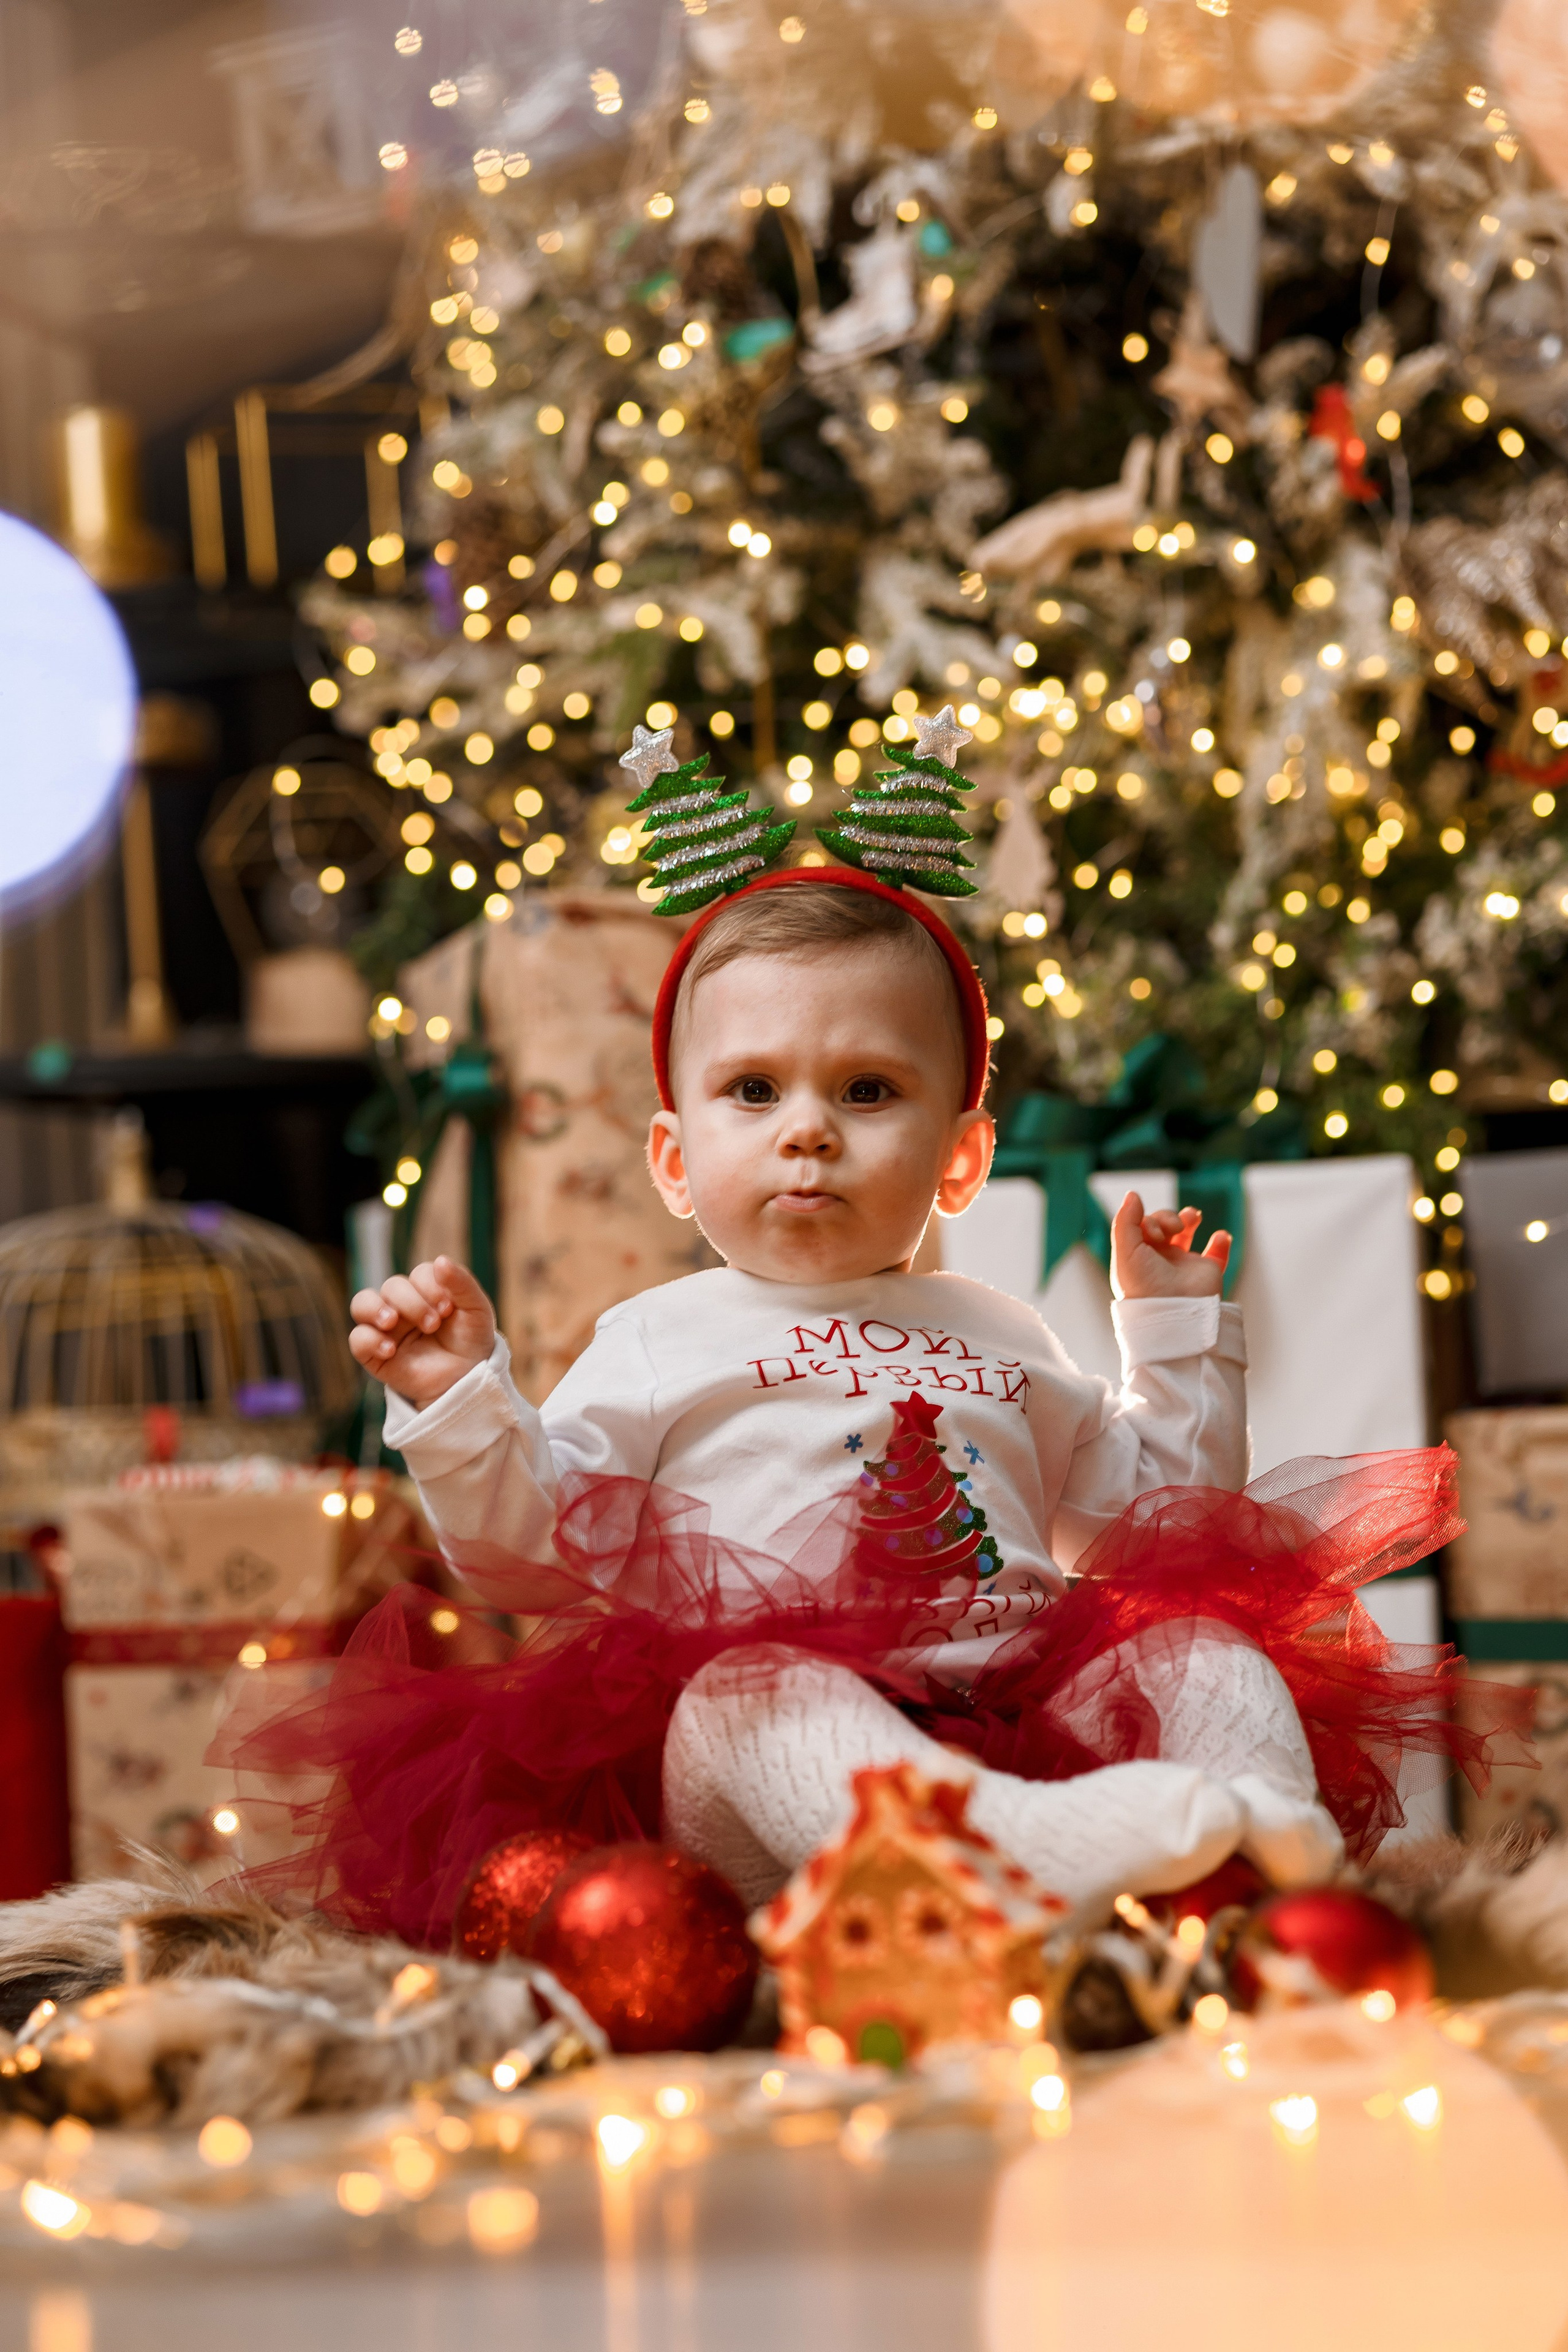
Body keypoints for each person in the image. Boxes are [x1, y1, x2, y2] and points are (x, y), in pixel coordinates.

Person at [220, 862, 1518, 1954]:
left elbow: (1156, 1525)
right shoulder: (660, 1337)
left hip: (1017, 1714)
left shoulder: (1001, 1331)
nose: (807, 1133)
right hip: (783, 1788)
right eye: (752, 1092)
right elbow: (528, 1550)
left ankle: (1254, 1851)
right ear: (674, 1160)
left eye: (864, 1091)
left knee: (1199, 1651)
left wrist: (1170, 1330)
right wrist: (459, 1401)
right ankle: (1007, 1853)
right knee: (748, 1693)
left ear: (959, 1155)